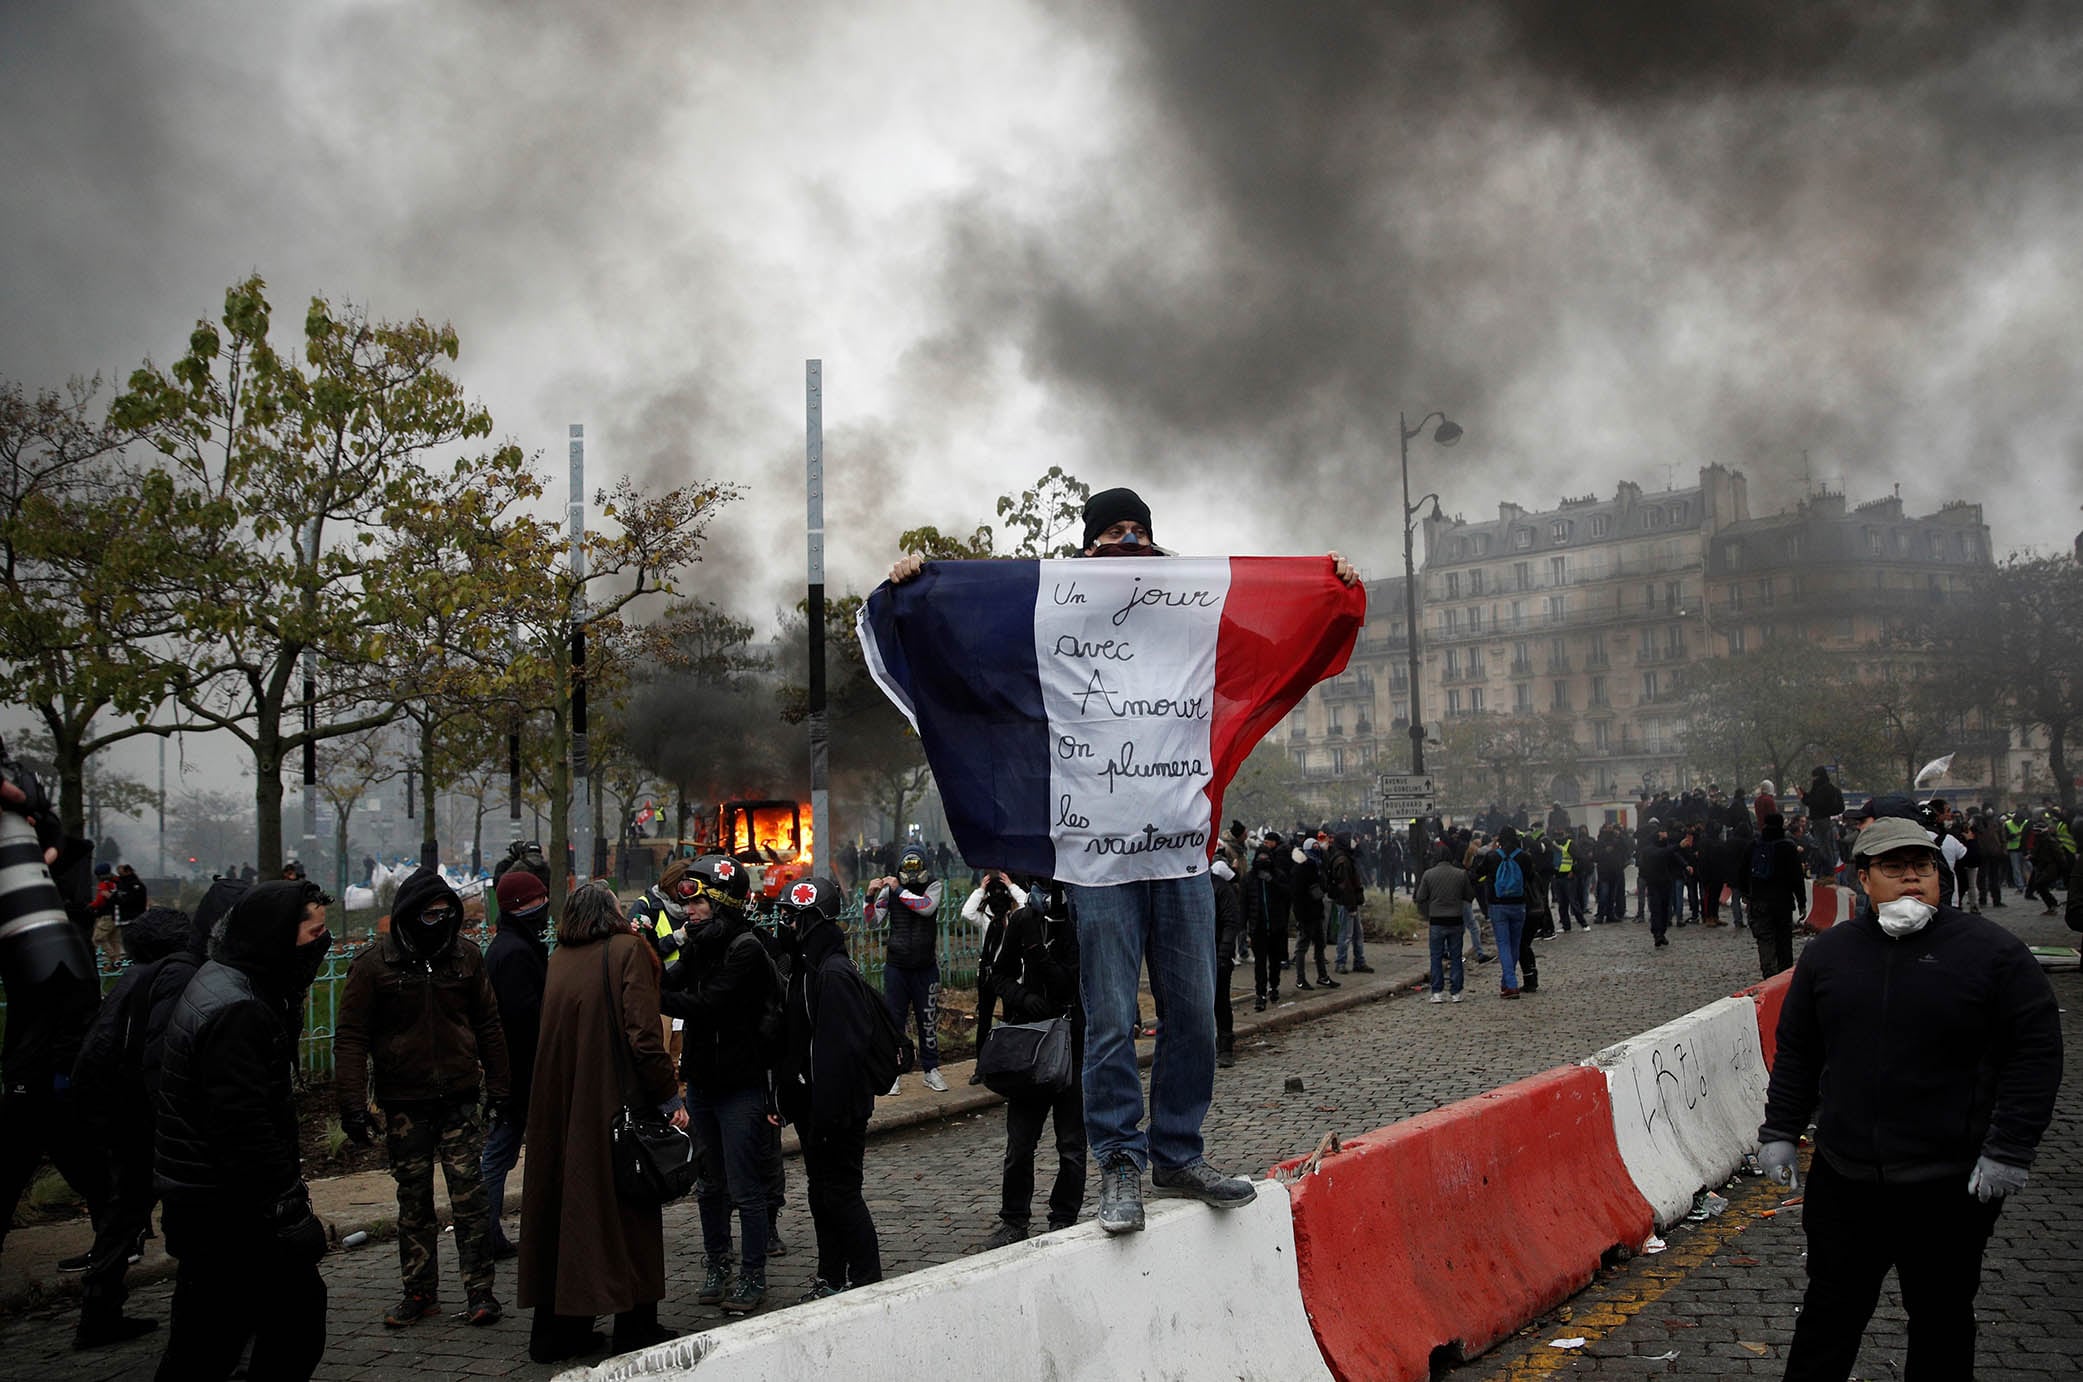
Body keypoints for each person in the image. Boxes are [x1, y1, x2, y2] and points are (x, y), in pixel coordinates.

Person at [884, 485, 1360, 1234]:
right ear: (1088, 542)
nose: (1125, 538)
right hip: (1096, 857)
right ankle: (1119, 1165)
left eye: (1136, 528)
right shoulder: (1059, 607)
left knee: (1193, 1017)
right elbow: (975, 649)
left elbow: (1263, 648)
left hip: (1177, 854)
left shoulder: (1186, 609)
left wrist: (1323, 590)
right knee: (1108, 1021)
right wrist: (919, 584)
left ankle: (1177, 1151)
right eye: (1110, 530)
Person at [1758, 817, 2062, 1380]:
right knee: (1830, 1313)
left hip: (1947, 1184)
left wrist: (2009, 1150)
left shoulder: (1992, 953)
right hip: (1845, 1180)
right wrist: (1780, 1130)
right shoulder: (1830, 955)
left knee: (1942, 1318)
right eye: (1893, 869)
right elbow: (1799, 1049)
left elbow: (2036, 1054)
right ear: (1863, 879)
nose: (1912, 880)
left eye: (1922, 867)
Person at [152, 880, 334, 1382]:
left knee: (211, 1337)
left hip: (210, 1200)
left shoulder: (233, 982)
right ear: (277, 936)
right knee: (257, 1331)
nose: (324, 942)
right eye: (314, 932)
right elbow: (243, 1125)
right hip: (225, 1208)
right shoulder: (239, 1009)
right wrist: (288, 1210)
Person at [334, 867, 511, 1329]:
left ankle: (480, 1292)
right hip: (404, 1102)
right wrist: (352, 1103)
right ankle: (418, 1291)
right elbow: (351, 1036)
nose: (439, 921)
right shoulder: (375, 965)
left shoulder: (466, 958)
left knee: (469, 1197)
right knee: (413, 1202)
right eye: (429, 914)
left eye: (444, 913)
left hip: (458, 1096)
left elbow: (489, 1024)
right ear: (409, 915)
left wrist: (500, 1086)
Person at [518, 883, 686, 1363]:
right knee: (628, 1213)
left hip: (564, 1110)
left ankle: (556, 1332)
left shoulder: (560, 959)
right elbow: (643, 1034)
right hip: (615, 1107)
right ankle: (637, 1325)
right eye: (617, 904)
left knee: (565, 1212)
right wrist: (668, 1095)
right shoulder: (626, 951)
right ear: (608, 913)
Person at [657, 853, 784, 1316]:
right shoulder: (699, 942)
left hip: (742, 1084)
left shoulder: (745, 947)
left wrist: (655, 994)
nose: (686, 910)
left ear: (720, 901)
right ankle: (717, 1264)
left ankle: (752, 1273)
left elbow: (706, 1003)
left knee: (745, 1186)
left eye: (694, 901)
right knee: (710, 1184)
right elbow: (670, 978)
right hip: (705, 1082)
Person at [66, 906, 195, 1348]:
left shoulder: (134, 979)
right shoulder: (171, 978)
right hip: (142, 1117)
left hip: (118, 1113)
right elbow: (158, 1054)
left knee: (124, 1214)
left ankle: (99, 1310)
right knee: (158, 1212)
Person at [773, 876, 884, 1297]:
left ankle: (868, 1283)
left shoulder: (833, 972)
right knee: (822, 1195)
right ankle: (832, 1276)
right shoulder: (805, 967)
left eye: (791, 917)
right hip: (813, 1107)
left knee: (841, 1195)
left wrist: (827, 1113)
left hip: (837, 1111)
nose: (783, 923)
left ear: (812, 921)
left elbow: (840, 1053)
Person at [980, 877, 1086, 1248]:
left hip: (1072, 1045)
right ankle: (1014, 1218)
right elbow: (997, 975)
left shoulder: (1078, 922)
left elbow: (1069, 985)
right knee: (1020, 1143)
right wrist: (1023, 998)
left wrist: (1039, 952)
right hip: (1030, 1045)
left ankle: (1064, 1216)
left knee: (1071, 1143)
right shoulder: (1024, 920)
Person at [482, 869, 551, 1261]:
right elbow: (522, 1021)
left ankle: (488, 1232)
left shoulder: (512, 947)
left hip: (514, 1072)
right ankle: (485, 1232)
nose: (543, 908)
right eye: (537, 901)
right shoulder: (515, 953)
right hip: (519, 1074)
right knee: (499, 1152)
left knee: (501, 1152)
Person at [865, 845, 949, 1093]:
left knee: (928, 1020)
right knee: (894, 1022)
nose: (911, 871)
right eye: (907, 866)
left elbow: (925, 907)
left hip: (925, 967)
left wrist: (897, 889)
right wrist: (869, 896)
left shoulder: (934, 885)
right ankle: (894, 1074)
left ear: (923, 865)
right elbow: (872, 922)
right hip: (897, 967)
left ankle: (931, 1070)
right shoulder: (890, 892)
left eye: (916, 866)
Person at [965, 870, 1027, 1079]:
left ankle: (1009, 1063)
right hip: (987, 973)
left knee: (1010, 1018)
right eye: (995, 891)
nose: (999, 896)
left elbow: (1026, 902)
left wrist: (1011, 885)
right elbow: (967, 912)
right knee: (984, 1020)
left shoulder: (1015, 916)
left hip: (1009, 974)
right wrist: (981, 889)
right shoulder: (986, 916)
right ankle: (981, 1067)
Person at [1742, 814, 1806, 979]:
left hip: (1759, 901)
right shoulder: (1788, 847)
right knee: (1784, 939)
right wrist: (1802, 902)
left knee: (1765, 938)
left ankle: (1769, 973)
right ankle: (1784, 977)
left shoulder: (1754, 846)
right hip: (1782, 902)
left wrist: (1746, 895)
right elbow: (1797, 878)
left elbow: (1742, 872)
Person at [1472, 828, 1531, 997]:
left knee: (1503, 944)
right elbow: (1530, 877)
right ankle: (1507, 982)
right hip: (1519, 905)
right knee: (1514, 945)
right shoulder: (1524, 857)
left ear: (1499, 840)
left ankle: (1511, 984)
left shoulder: (1492, 856)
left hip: (1498, 905)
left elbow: (1478, 873)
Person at [1415, 849, 1476, 1003]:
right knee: (1456, 957)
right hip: (1455, 919)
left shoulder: (1428, 874)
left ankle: (1437, 992)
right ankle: (1456, 992)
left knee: (1436, 957)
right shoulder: (1460, 874)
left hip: (1437, 920)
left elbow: (1421, 896)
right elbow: (1469, 895)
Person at [1246, 831, 1291, 1011]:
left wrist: (1273, 882)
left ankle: (1274, 987)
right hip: (1258, 927)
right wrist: (1243, 925)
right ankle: (1260, 993)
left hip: (1276, 926)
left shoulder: (1278, 875)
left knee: (1274, 961)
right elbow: (1244, 903)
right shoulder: (1250, 879)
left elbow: (1288, 894)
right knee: (1259, 963)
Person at [1289, 837, 1336, 992]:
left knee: (1320, 945)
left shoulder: (1317, 865)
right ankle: (1300, 979)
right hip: (1306, 913)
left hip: (1316, 911)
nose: (1317, 849)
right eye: (1314, 847)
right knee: (1302, 947)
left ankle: (1322, 976)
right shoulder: (1302, 868)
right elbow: (1297, 894)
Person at [1210, 858, 1244, 1066]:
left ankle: (1225, 1045)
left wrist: (1224, 953)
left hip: (1218, 954)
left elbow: (1232, 923)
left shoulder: (1220, 887)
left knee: (1221, 1002)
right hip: (1195, 954)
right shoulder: (1186, 886)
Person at [1325, 832, 1372, 974]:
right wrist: (1351, 905)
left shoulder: (1346, 857)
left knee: (1357, 933)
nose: (1353, 841)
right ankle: (1341, 962)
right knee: (1346, 934)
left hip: (1351, 901)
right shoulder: (1342, 861)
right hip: (1347, 902)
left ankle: (1359, 961)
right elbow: (1345, 886)